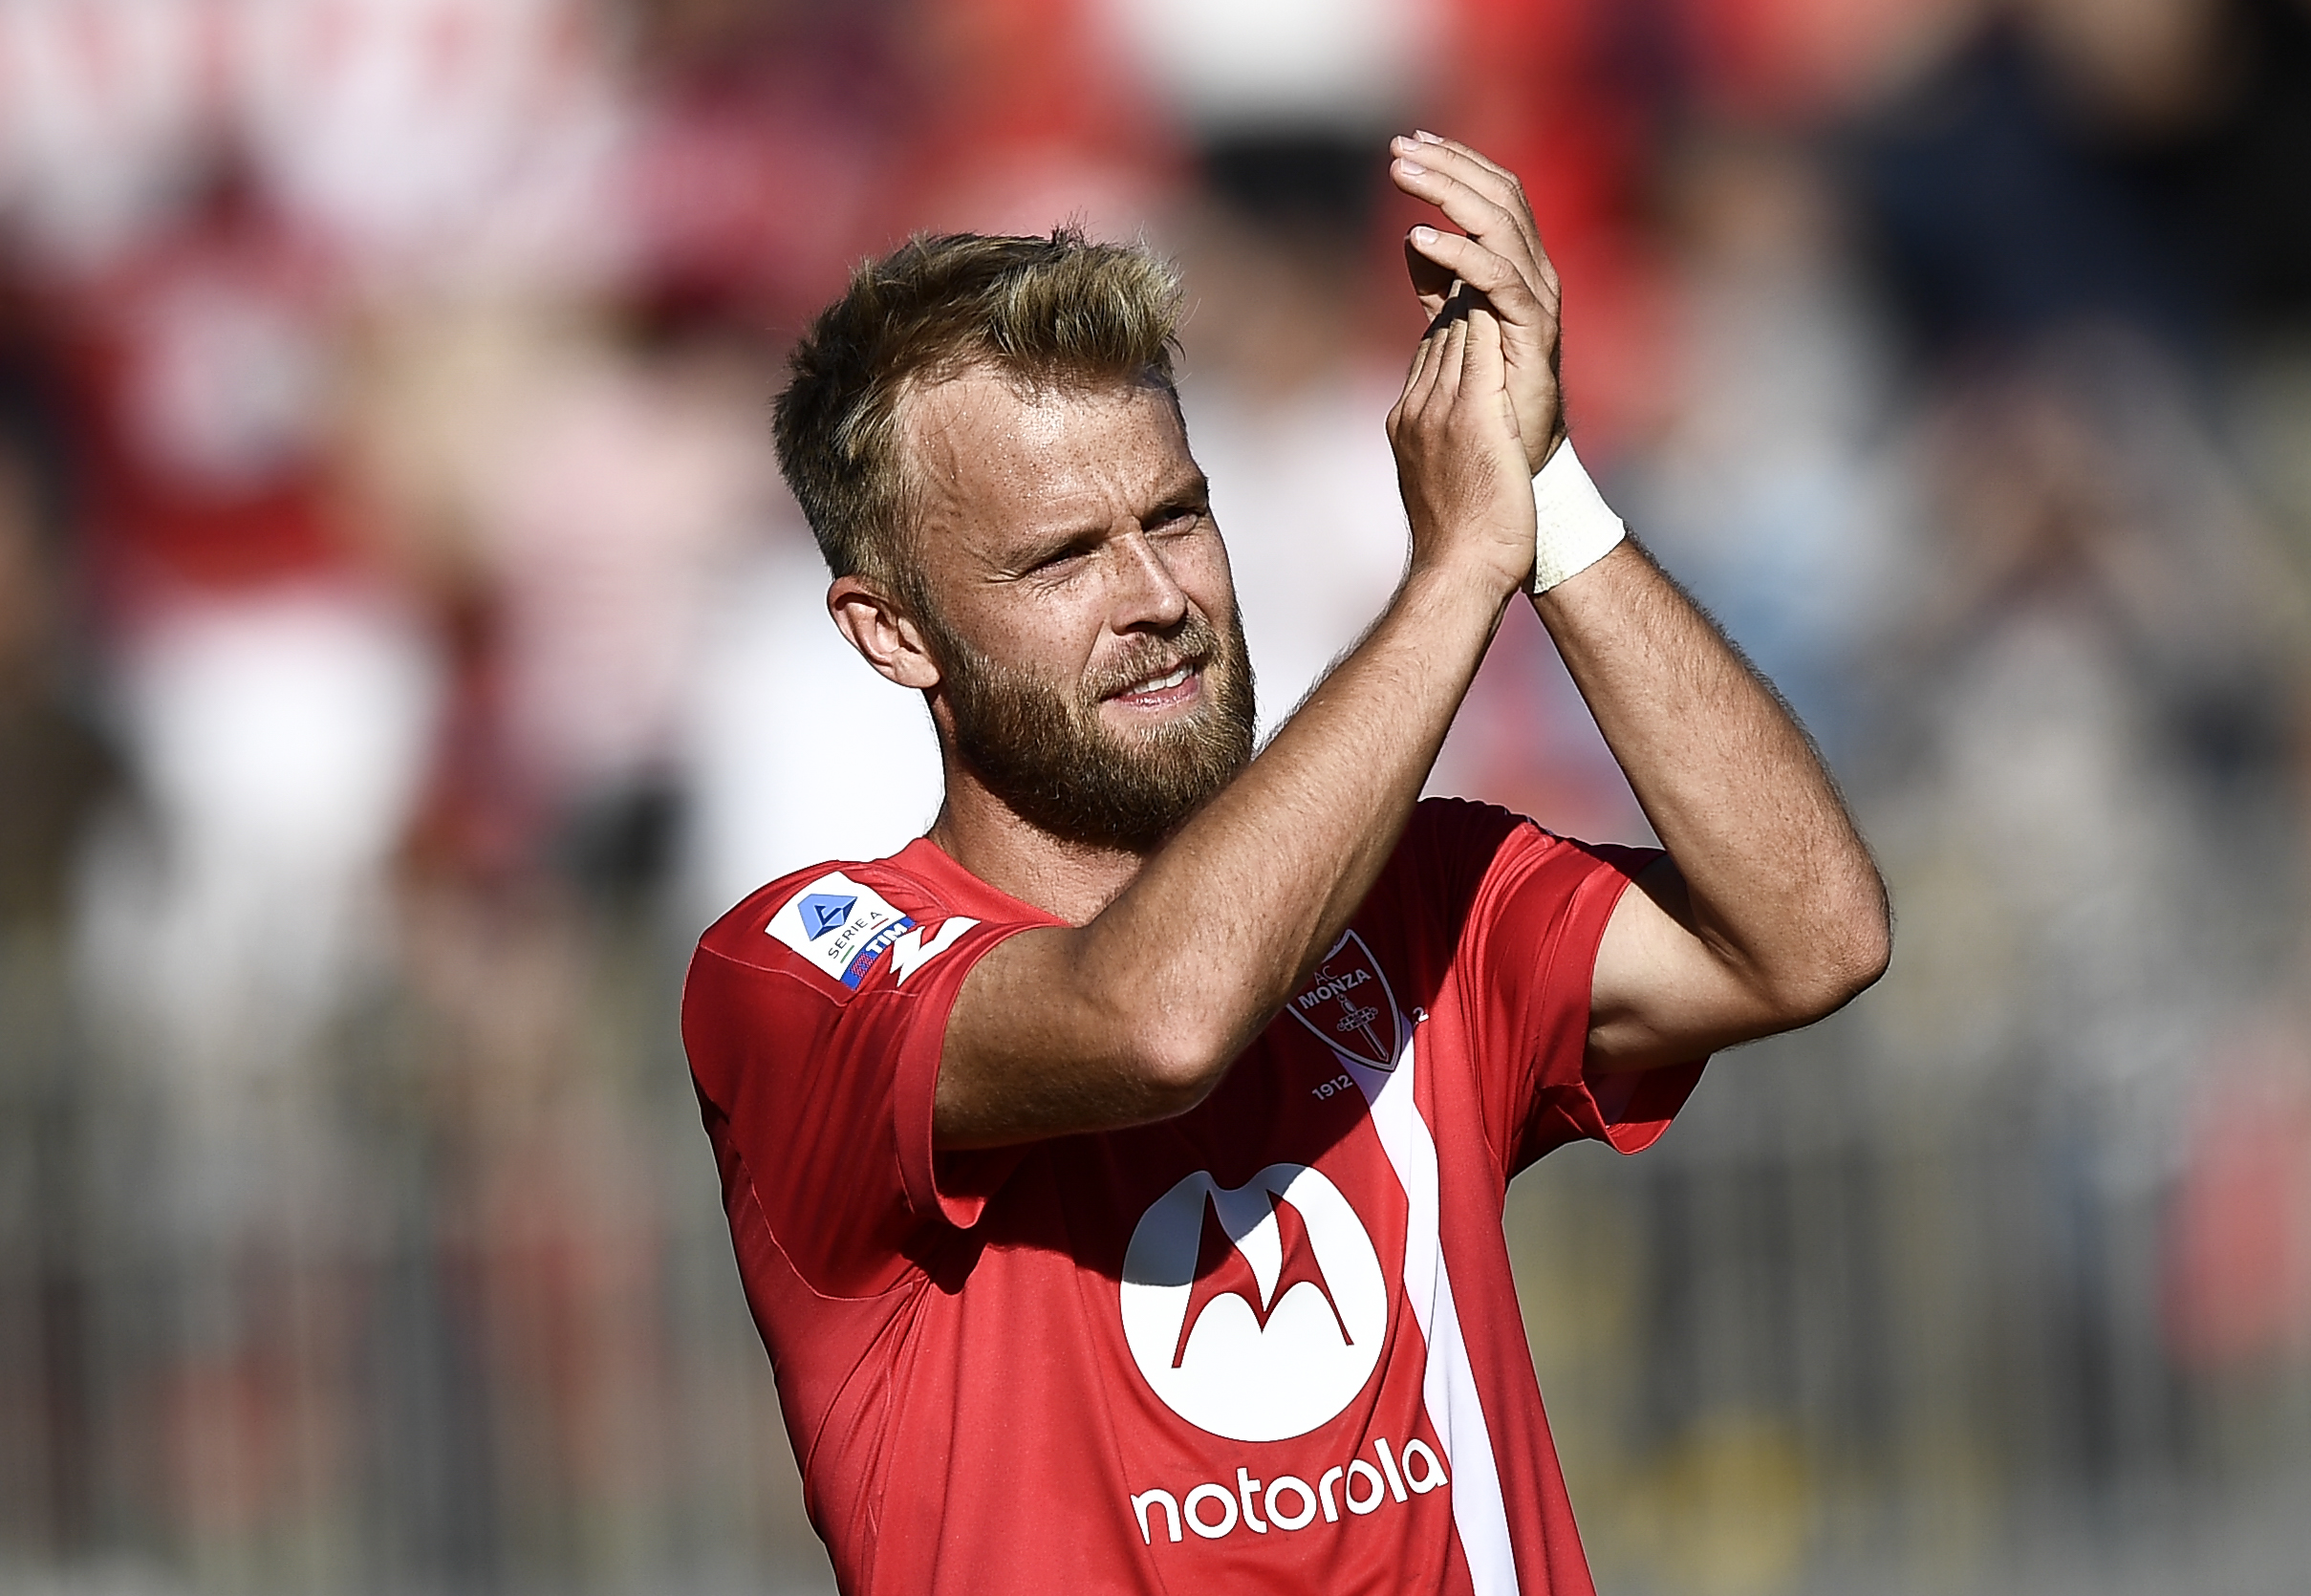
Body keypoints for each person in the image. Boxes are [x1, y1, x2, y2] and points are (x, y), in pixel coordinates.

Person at [680, 135, 1888, 1595]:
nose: (1154, 597)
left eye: (1175, 515)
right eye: (1061, 558)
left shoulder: (1411, 898)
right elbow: (1161, 1019)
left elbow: (1810, 934)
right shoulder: (801, 970)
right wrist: (1454, 573)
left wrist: (1544, 488)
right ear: (891, 633)